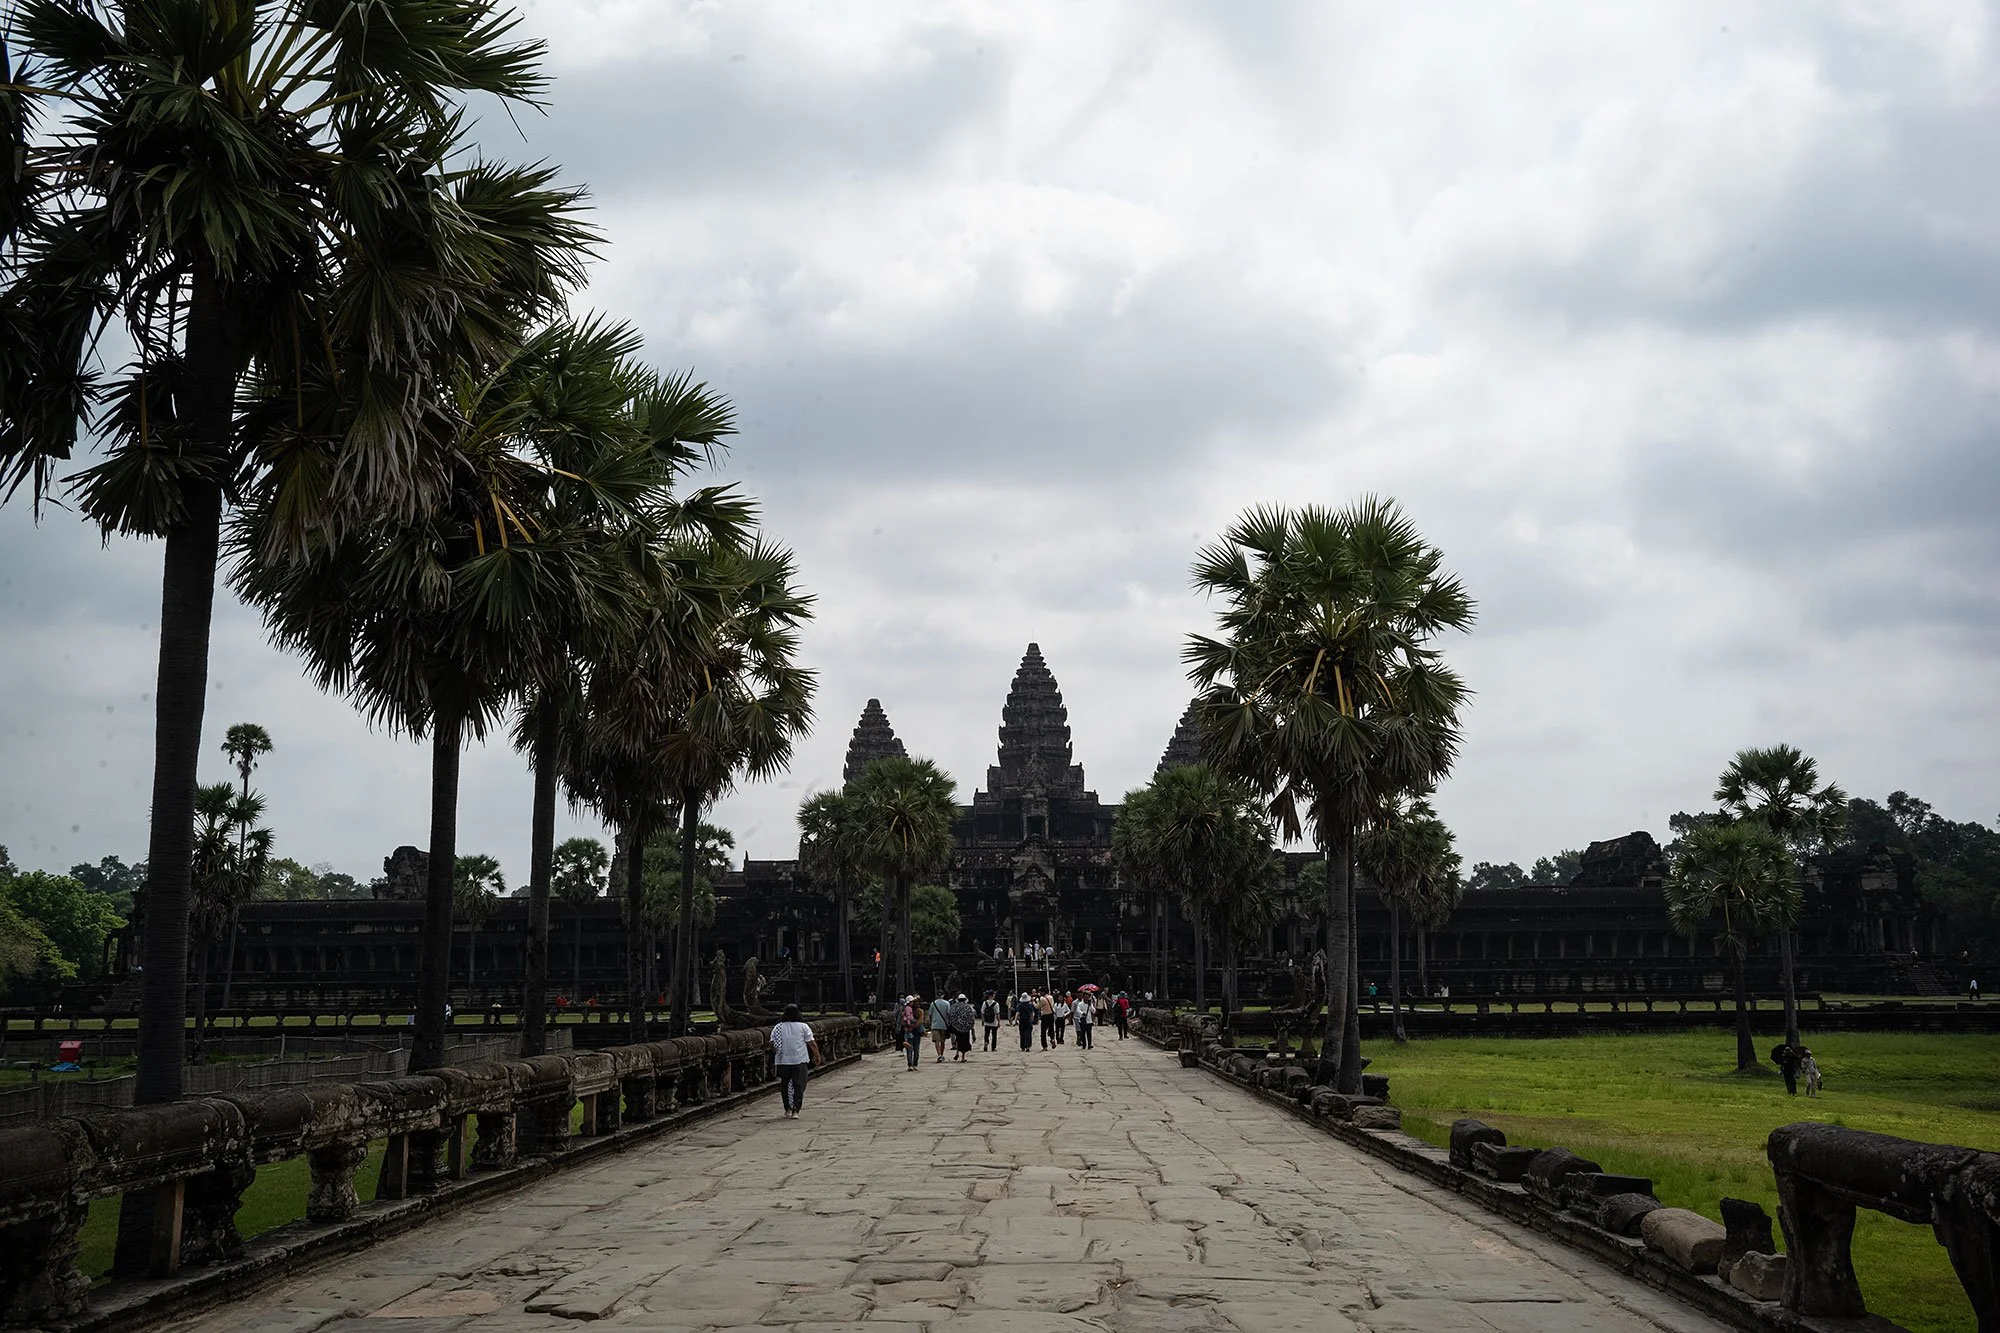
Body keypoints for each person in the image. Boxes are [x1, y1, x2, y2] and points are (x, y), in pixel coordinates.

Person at [769, 1002, 821, 1118]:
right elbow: (812, 1043)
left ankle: (787, 1108)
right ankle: (795, 1110)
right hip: (799, 1059)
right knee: (799, 1085)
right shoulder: (803, 1026)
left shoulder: (778, 1027)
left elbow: (772, 1044)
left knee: (785, 1085)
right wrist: (817, 1055)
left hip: (783, 1060)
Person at [900, 994, 925, 1070]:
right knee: (913, 1049)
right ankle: (912, 1064)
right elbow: (919, 1022)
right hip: (915, 1031)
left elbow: (903, 1021)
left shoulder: (908, 1010)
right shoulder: (917, 1011)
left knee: (912, 1049)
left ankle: (912, 1064)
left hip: (911, 1030)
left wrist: (909, 1026)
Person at [949, 993, 976, 1061]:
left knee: (958, 1039)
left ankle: (957, 1052)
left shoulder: (954, 1006)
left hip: (956, 1026)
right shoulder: (968, 1007)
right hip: (965, 1028)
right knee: (964, 1042)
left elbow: (951, 1016)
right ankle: (963, 1057)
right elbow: (972, 1017)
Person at [928, 992, 953, 1063]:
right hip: (943, 1025)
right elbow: (948, 1014)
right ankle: (942, 1054)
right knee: (942, 1041)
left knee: (936, 1041)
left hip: (935, 1025)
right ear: (943, 995)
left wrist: (930, 1023)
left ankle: (939, 1055)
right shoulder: (947, 1003)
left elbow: (930, 1015)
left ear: (936, 995)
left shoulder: (933, 1003)